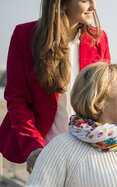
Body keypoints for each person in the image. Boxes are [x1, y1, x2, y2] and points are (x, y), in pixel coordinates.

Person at [0, 0, 110, 173]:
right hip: (45, 153)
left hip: (89, 151)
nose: (94, 7)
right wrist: (33, 147)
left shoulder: (99, 39)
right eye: (84, 1)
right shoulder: (24, 35)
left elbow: (105, 96)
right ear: (61, 3)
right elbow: (17, 99)